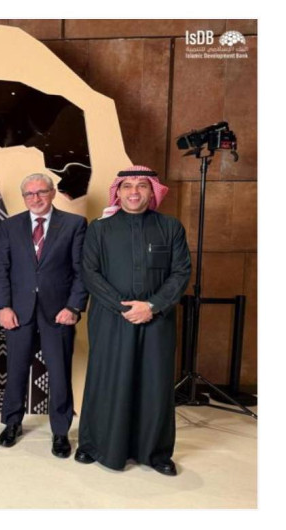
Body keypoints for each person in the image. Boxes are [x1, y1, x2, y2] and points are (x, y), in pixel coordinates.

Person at [75, 165, 191, 476]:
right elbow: (90, 272)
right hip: (111, 319)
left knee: (155, 384)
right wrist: (122, 307)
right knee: (107, 380)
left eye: (142, 185)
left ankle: (155, 453)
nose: (134, 191)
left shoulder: (170, 227)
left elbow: (181, 272)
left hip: (157, 319)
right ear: (118, 192)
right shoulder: (99, 229)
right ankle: (94, 445)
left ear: (153, 191)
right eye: (127, 186)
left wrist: (152, 306)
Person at [0, 173, 87, 457]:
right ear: (24, 197)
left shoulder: (74, 224)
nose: (36, 198)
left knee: (59, 373)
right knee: (16, 371)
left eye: (41, 192)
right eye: (29, 194)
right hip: (18, 311)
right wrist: (3, 306)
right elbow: (1, 269)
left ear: (53, 192)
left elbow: (82, 271)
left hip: (58, 312)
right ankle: (12, 423)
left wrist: (73, 307)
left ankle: (60, 431)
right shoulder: (9, 226)